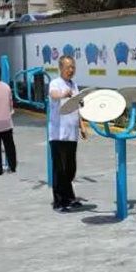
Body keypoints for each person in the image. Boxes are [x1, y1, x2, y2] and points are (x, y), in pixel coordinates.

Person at [48, 55, 87, 213]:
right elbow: (53, 94)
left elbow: (77, 107)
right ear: (61, 68)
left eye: (73, 67)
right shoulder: (55, 83)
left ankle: (69, 197)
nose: (71, 70)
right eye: (68, 67)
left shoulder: (74, 85)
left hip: (72, 133)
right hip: (58, 134)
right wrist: (63, 94)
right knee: (60, 169)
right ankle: (59, 201)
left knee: (70, 168)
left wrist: (82, 126)